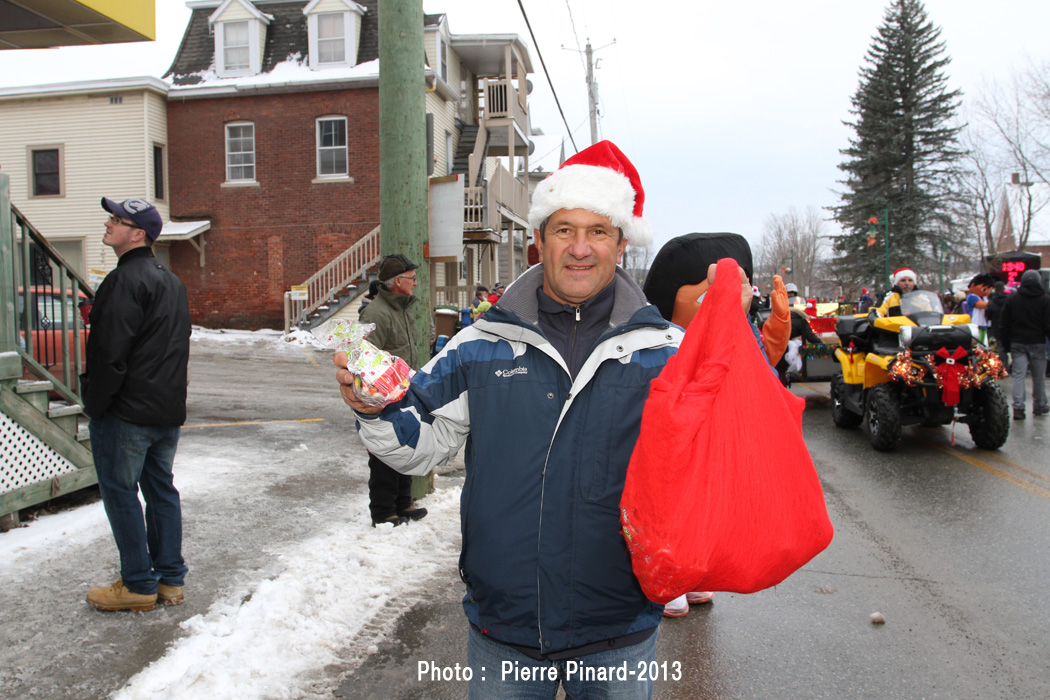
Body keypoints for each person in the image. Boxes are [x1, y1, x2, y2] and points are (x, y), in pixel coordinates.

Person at [336, 141, 751, 698]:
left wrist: (742, 344)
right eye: (564, 230)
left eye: (598, 231)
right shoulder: (479, 345)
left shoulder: (669, 353)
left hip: (619, 628)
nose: (580, 248)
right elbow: (420, 444)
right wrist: (376, 407)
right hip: (505, 627)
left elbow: (732, 459)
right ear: (539, 240)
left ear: (621, 244)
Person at [82, 197, 191, 612]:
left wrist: (96, 404)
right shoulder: (171, 281)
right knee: (161, 490)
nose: (108, 225)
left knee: (121, 492)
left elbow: (110, 353)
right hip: (165, 411)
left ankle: (138, 584)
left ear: (138, 233)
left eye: (117, 220)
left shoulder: (124, 281)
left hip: (127, 413)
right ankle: (169, 581)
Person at [358, 254, 429, 526]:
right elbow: (363, 358)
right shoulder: (376, 313)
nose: (415, 283)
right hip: (383, 398)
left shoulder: (401, 308)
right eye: (411, 278)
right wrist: (375, 399)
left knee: (406, 447)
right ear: (397, 281)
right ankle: (384, 511)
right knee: (385, 454)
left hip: (405, 393)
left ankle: (403, 503)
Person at [1000, 269, 1050, 420]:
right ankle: (1039, 405)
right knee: (1039, 377)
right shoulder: (1045, 300)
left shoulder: (1012, 299)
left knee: (1018, 376)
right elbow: (1048, 325)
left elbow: (1004, 324)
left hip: (1017, 342)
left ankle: (1019, 408)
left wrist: (1006, 345)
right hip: (1037, 341)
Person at [963, 273, 996, 342]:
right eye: (985, 290)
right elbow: (981, 304)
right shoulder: (972, 297)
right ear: (973, 285)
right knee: (977, 343)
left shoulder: (984, 298)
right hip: (975, 325)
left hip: (984, 324)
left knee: (983, 342)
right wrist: (996, 303)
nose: (988, 292)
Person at [986, 280, 1010, 366]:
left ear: (995, 290)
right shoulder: (1009, 300)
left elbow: (988, 316)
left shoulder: (992, 302)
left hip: (997, 327)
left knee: (1000, 347)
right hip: (1009, 327)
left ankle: (1003, 366)